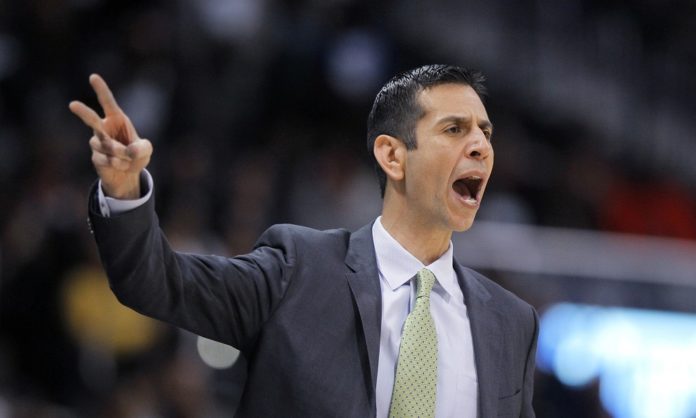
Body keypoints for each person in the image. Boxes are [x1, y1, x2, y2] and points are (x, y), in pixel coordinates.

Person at [70, 64, 538, 417]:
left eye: (485, 133)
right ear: (392, 156)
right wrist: (125, 191)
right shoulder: (298, 270)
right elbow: (155, 282)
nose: (481, 146)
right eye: (454, 129)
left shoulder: (512, 323)